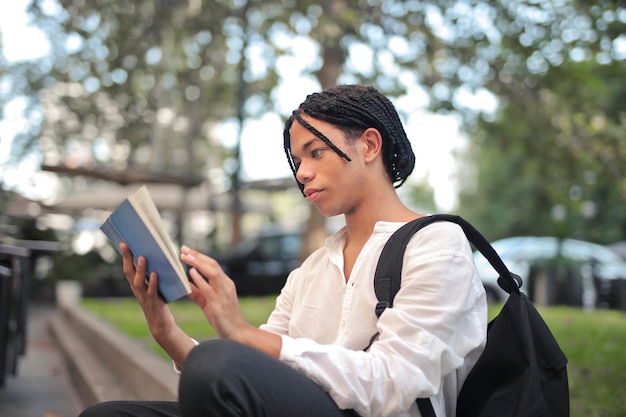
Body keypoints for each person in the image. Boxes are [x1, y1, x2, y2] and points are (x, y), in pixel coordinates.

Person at [79, 84, 487, 417]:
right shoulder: (310, 271)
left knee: (217, 363)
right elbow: (246, 368)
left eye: (316, 152)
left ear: (368, 145)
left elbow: (390, 384)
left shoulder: (438, 244)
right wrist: (164, 329)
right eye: (297, 159)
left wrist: (239, 331)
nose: (302, 172)